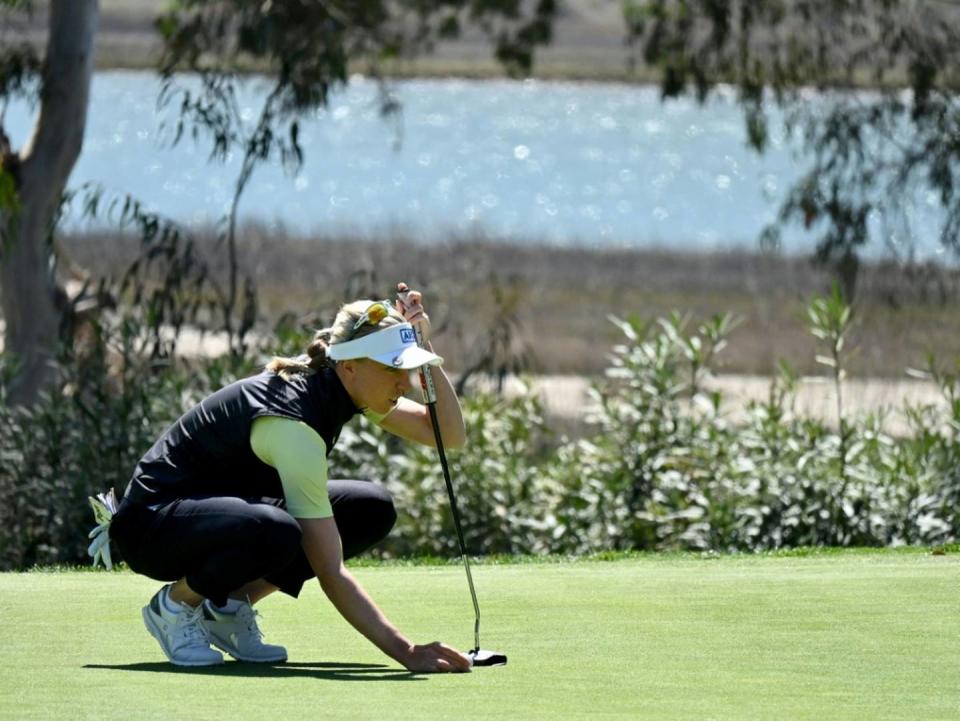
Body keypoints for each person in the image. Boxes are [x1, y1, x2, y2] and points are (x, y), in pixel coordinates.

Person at [106, 282, 472, 672]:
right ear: (350, 366)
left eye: (406, 368)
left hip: (220, 517)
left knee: (369, 509)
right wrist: (407, 651)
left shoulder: (342, 383)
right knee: (276, 530)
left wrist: (424, 349)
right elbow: (330, 570)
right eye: (393, 369)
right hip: (151, 526)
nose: (405, 383)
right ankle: (176, 604)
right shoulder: (296, 423)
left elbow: (447, 435)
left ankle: (227, 608)